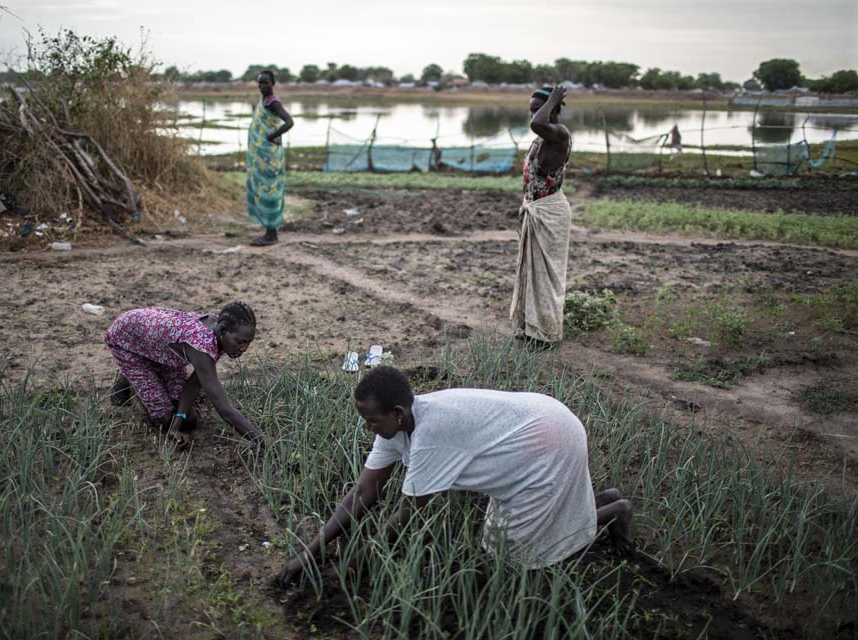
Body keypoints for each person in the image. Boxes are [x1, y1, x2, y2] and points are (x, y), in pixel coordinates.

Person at [278, 366, 632, 585]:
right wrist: (309, 553)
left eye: (372, 420)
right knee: (506, 538)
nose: (368, 427)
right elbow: (363, 492)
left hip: (548, 441)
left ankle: (610, 513)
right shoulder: (395, 428)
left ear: (398, 413)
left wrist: (353, 566)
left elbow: (408, 515)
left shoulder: (431, 436)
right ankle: (607, 500)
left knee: (516, 559)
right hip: (538, 424)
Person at [105, 302, 261, 449]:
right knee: (164, 419)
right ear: (222, 330)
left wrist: (177, 425)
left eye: (248, 343)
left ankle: (146, 367)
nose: (244, 348)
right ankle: (129, 373)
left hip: (162, 348)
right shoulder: (202, 346)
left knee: (190, 419)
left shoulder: (220, 332)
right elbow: (226, 411)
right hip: (127, 336)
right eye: (240, 342)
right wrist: (268, 445)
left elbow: (195, 382)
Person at [511, 85, 573, 350]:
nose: (534, 115)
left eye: (540, 109)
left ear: (554, 110)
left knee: (546, 276)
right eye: (532, 109)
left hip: (550, 213)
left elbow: (538, 123)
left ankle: (547, 335)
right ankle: (531, 329)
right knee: (530, 272)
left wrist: (553, 100)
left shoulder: (559, 135)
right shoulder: (542, 138)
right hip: (537, 210)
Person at [247, 70, 294, 247]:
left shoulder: (273, 103)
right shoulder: (264, 101)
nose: (262, 86)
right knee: (266, 188)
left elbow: (289, 122)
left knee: (270, 190)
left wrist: (271, 136)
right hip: (263, 155)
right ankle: (270, 231)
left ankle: (271, 234)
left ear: (272, 84)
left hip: (269, 155)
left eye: (265, 83)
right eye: (259, 83)